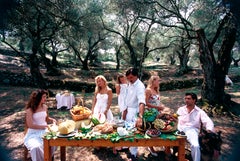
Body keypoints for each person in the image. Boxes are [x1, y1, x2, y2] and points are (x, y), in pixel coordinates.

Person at [176, 92, 215, 161]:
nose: (186, 100)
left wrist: (209, 130)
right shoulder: (181, 109)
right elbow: (175, 117)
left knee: (195, 146)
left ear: (194, 100)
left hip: (192, 130)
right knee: (167, 140)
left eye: (189, 99)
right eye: (185, 99)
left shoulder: (199, 112)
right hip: (179, 130)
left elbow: (208, 121)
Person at [24, 89, 56, 161]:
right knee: (36, 147)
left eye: (46, 97)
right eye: (44, 97)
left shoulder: (45, 107)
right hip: (33, 133)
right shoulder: (30, 110)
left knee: (54, 142)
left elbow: (46, 118)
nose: (46, 99)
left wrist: (52, 120)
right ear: (38, 98)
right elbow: (30, 125)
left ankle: (47, 158)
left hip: (45, 132)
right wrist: (45, 126)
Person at [145, 75, 171, 157]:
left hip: (158, 112)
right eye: (157, 81)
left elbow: (157, 102)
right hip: (150, 113)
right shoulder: (148, 90)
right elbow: (146, 103)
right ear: (153, 81)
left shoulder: (156, 90)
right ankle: (151, 148)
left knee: (159, 129)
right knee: (151, 130)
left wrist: (162, 107)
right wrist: (158, 107)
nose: (159, 82)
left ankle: (163, 145)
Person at [125, 67, 146, 161]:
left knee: (134, 133)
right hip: (128, 110)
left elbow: (142, 102)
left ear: (137, 76)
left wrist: (140, 116)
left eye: (131, 77)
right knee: (127, 131)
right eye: (128, 78)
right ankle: (128, 147)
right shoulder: (130, 83)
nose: (130, 79)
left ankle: (133, 154)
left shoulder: (140, 86)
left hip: (135, 111)